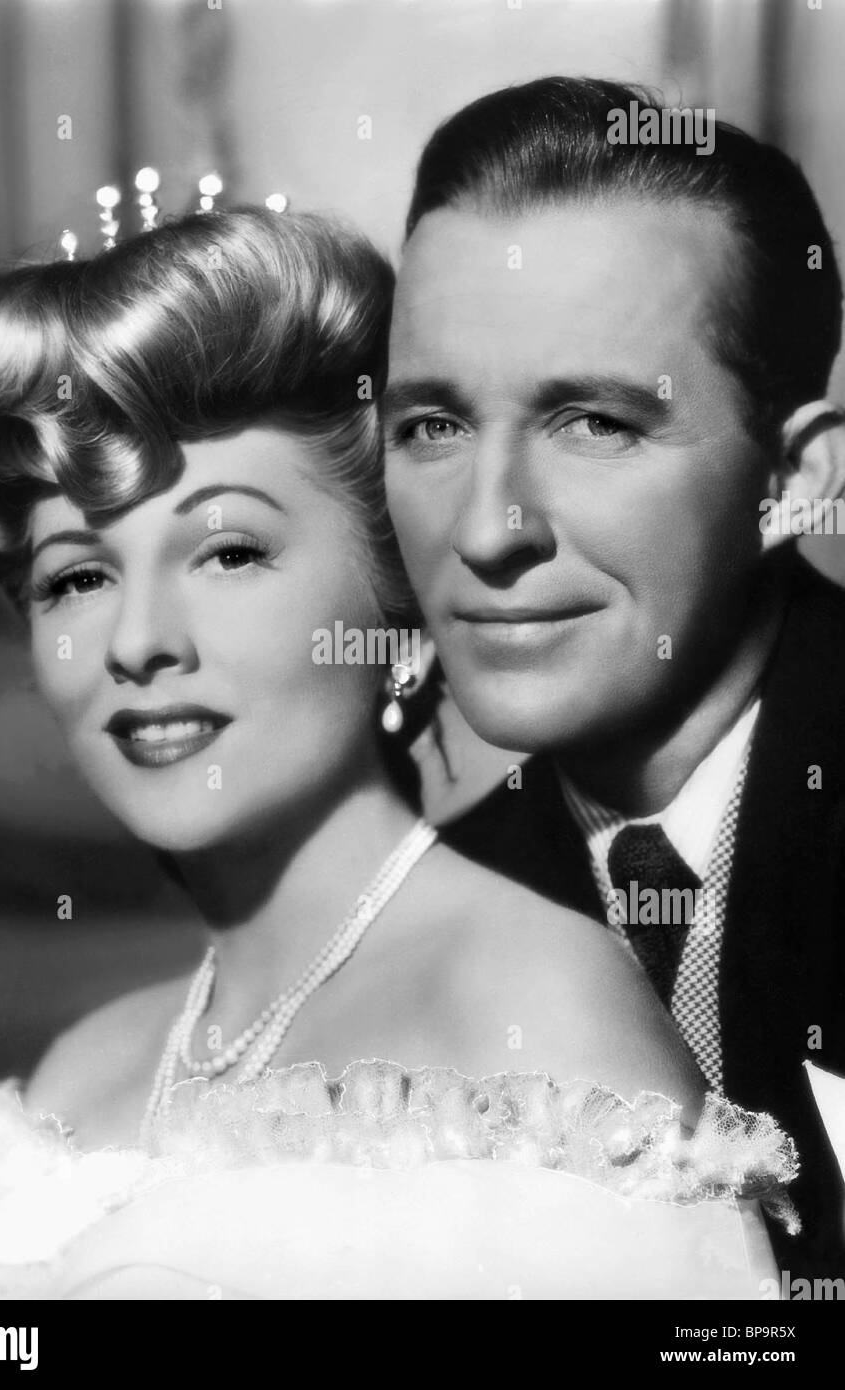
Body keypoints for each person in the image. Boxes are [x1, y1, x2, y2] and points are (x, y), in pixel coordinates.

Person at [0, 209, 789, 1298]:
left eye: (229, 552)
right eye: (77, 577)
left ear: (397, 609)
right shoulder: (83, 1074)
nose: (137, 643)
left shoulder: (526, 1001)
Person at [383, 75, 845, 1281]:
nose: (487, 529)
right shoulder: (431, 905)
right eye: (432, 426)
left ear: (793, 480)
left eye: (593, 423)